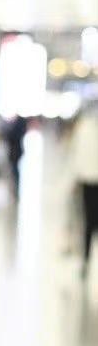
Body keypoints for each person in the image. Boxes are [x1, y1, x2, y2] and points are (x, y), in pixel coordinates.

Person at [67, 103, 98, 277]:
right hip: (87, 180)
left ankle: (86, 260)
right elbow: (77, 156)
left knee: (89, 223)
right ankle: (85, 260)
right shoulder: (84, 129)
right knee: (88, 223)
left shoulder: (83, 128)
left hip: (87, 180)